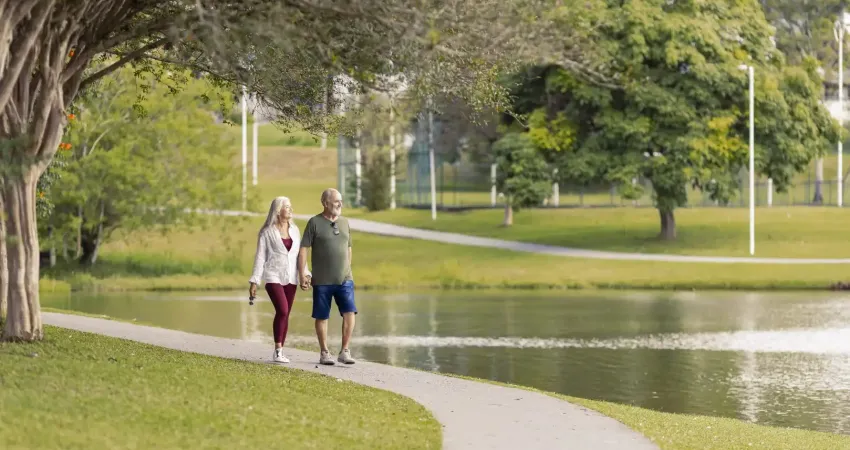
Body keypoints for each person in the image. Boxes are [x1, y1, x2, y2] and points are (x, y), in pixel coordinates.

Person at [297, 188, 357, 365]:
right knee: (322, 316)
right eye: (336, 201)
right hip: (322, 280)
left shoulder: (345, 222)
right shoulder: (314, 223)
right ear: (325, 203)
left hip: (345, 279)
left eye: (341, 201)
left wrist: (347, 268)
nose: (340, 204)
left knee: (349, 312)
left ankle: (345, 351)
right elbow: (303, 249)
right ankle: (324, 352)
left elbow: (348, 248)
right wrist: (302, 273)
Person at [249, 196, 310, 363]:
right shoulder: (267, 232)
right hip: (273, 275)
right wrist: (255, 281)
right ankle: (277, 351)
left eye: (290, 206)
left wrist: (305, 274)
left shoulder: (295, 230)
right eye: (287, 207)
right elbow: (260, 257)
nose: (291, 209)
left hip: (291, 277)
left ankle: (281, 350)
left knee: (286, 314)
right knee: (282, 310)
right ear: (278, 210)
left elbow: (299, 255)